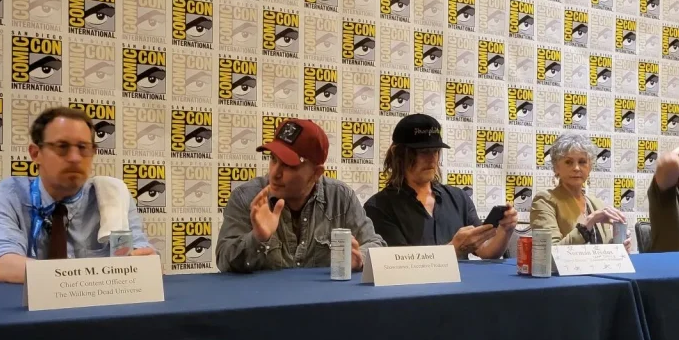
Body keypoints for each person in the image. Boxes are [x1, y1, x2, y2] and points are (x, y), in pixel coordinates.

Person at [0, 108, 156, 283]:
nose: (74, 158)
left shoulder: (113, 195)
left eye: (83, 147)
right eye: (62, 147)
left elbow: (140, 254)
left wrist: (144, 261)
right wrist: (98, 276)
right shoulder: (7, 196)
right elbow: (2, 264)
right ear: (36, 153)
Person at [216, 118, 384, 272]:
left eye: (288, 165)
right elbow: (223, 261)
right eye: (273, 159)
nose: (275, 173)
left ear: (316, 173)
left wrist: (359, 258)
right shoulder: (246, 197)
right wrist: (257, 238)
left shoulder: (341, 198)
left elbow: (376, 246)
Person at [363, 114, 516, 259]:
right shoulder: (379, 208)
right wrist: (454, 249)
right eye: (423, 151)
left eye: (435, 151)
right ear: (399, 154)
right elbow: (400, 264)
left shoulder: (458, 198)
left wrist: (505, 230)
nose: (431, 158)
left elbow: (486, 250)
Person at [530, 133, 632, 249]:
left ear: (590, 167)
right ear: (556, 167)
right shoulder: (544, 200)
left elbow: (602, 249)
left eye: (582, 162)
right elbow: (549, 252)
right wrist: (588, 223)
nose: (576, 168)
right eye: (569, 162)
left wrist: (618, 246)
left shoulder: (596, 203)